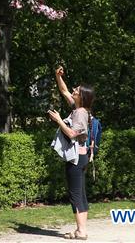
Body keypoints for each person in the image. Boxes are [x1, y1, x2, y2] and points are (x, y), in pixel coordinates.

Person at [48, 65, 95, 241]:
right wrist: (57, 75)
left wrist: (59, 120)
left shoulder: (81, 113)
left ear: (82, 97)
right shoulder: (77, 108)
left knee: (75, 194)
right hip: (80, 158)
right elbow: (63, 90)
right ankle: (80, 230)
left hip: (76, 158)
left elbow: (72, 134)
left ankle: (81, 231)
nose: (74, 90)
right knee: (80, 193)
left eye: (77, 90)